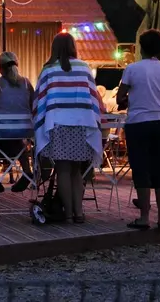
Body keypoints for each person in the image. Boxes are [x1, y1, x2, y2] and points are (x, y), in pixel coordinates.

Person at [33, 33, 103, 224]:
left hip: (58, 124)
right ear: (73, 46)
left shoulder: (48, 69)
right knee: (76, 171)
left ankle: (69, 214)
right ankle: (79, 212)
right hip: (82, 123)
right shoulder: (84, 67)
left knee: (63, 170)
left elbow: (39, 98)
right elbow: (94, 97)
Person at [116, 29, 160, 230]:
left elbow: (120, 97)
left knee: (141, 167)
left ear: (141, 47)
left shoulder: (132, 69)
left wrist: (127, 99)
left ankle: (144, 217)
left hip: (139, 122)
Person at [0, 51, 35, 193]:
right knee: (18, 141)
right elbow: (34, 106)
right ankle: (27, 171)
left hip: (3, 130)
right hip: (25, 130)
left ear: (0, 68)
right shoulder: (26, 83)